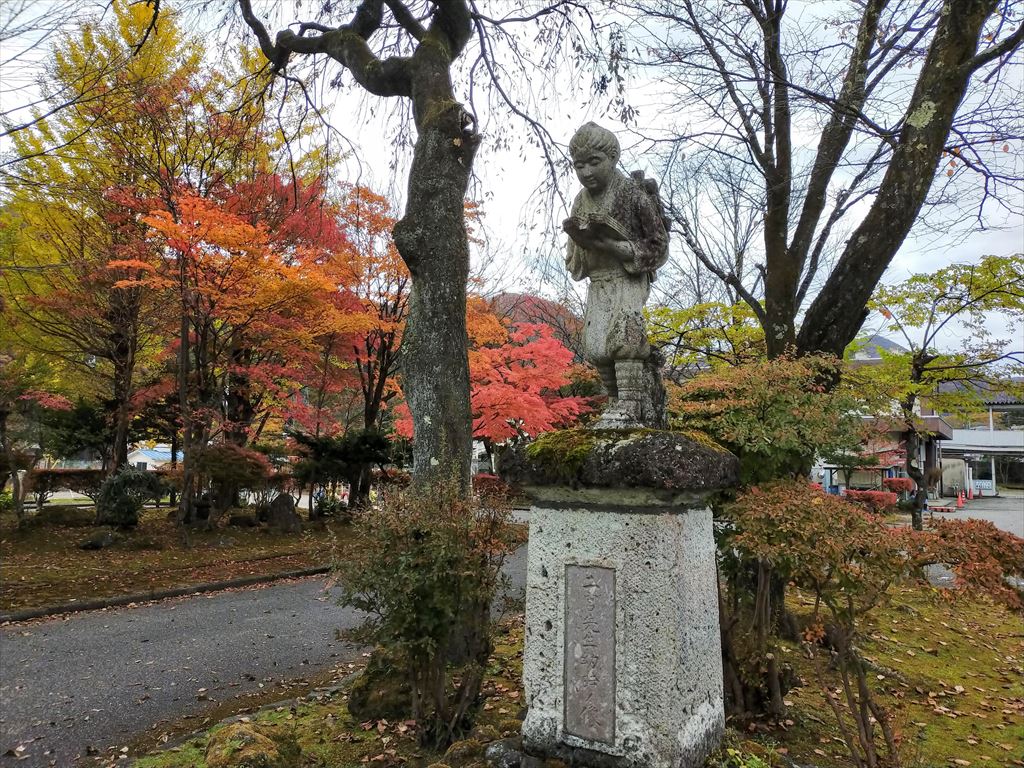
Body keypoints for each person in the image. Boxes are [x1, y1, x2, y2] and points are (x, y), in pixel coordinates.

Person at [563, 122, 669, 428]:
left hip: (627, 277)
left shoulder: (631, 195)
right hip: (599, 280)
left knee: (625, 337)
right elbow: (575, 251)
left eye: (594, 163)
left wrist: (618, 247)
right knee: (596, 345)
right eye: (579, 165)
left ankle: (630, 403)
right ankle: (613, 399)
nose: (586, 173)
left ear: (613, 158)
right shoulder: (581, 200)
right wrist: (584, 243)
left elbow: (658, 245)